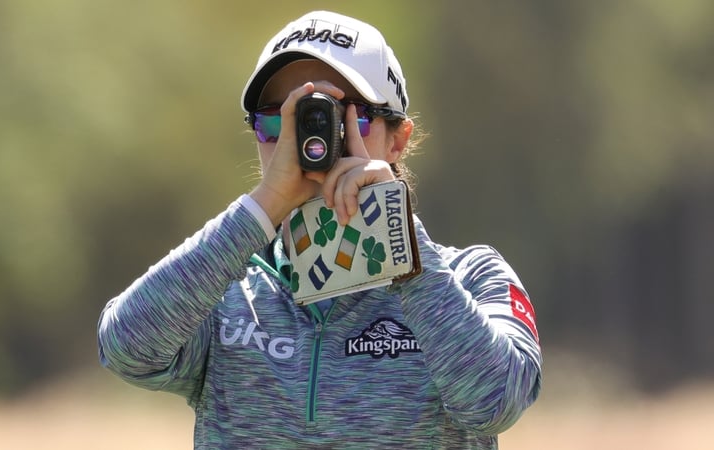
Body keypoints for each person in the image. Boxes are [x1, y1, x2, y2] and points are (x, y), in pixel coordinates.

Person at [97, 10, 542, 449]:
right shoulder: (228, 292)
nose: (314, 142)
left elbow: (493, 404)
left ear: (398, 140)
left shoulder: (471, 277)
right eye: (279, 121)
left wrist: (400, 237)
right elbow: (126, 349)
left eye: (349, 117)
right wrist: (264, 205)